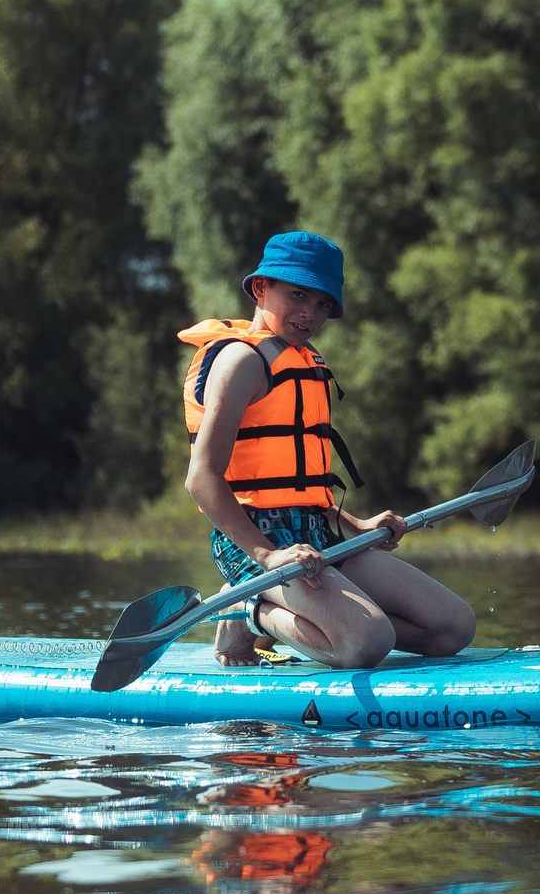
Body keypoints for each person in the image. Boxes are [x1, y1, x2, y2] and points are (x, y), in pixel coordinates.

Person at [179, 231, 475, 669]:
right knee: (365, 643)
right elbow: (201, 479)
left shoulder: (306, 362)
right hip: (254, 542)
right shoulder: (242, 361)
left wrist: (358, 525)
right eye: (298, 295)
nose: (310, 313)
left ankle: (315, 619)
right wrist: (268, 555)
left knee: (453, 627)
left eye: (322, 304)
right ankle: (245, 610)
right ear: (261, 288)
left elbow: (301, 490)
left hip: (319, 535)